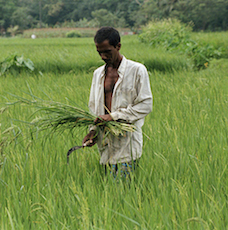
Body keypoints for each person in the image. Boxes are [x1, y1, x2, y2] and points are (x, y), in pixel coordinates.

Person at [83, 27, 152, 178]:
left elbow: (145, 105)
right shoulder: (98, 74)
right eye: (99, 52)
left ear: (118, 46)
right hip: (105, 145)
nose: (103, 56)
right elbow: (94, 107)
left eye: (107, 51)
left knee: (122, 190)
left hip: (127, 145)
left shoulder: (137, 70)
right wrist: (92, 131)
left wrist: (113, 116)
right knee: (108, 192)